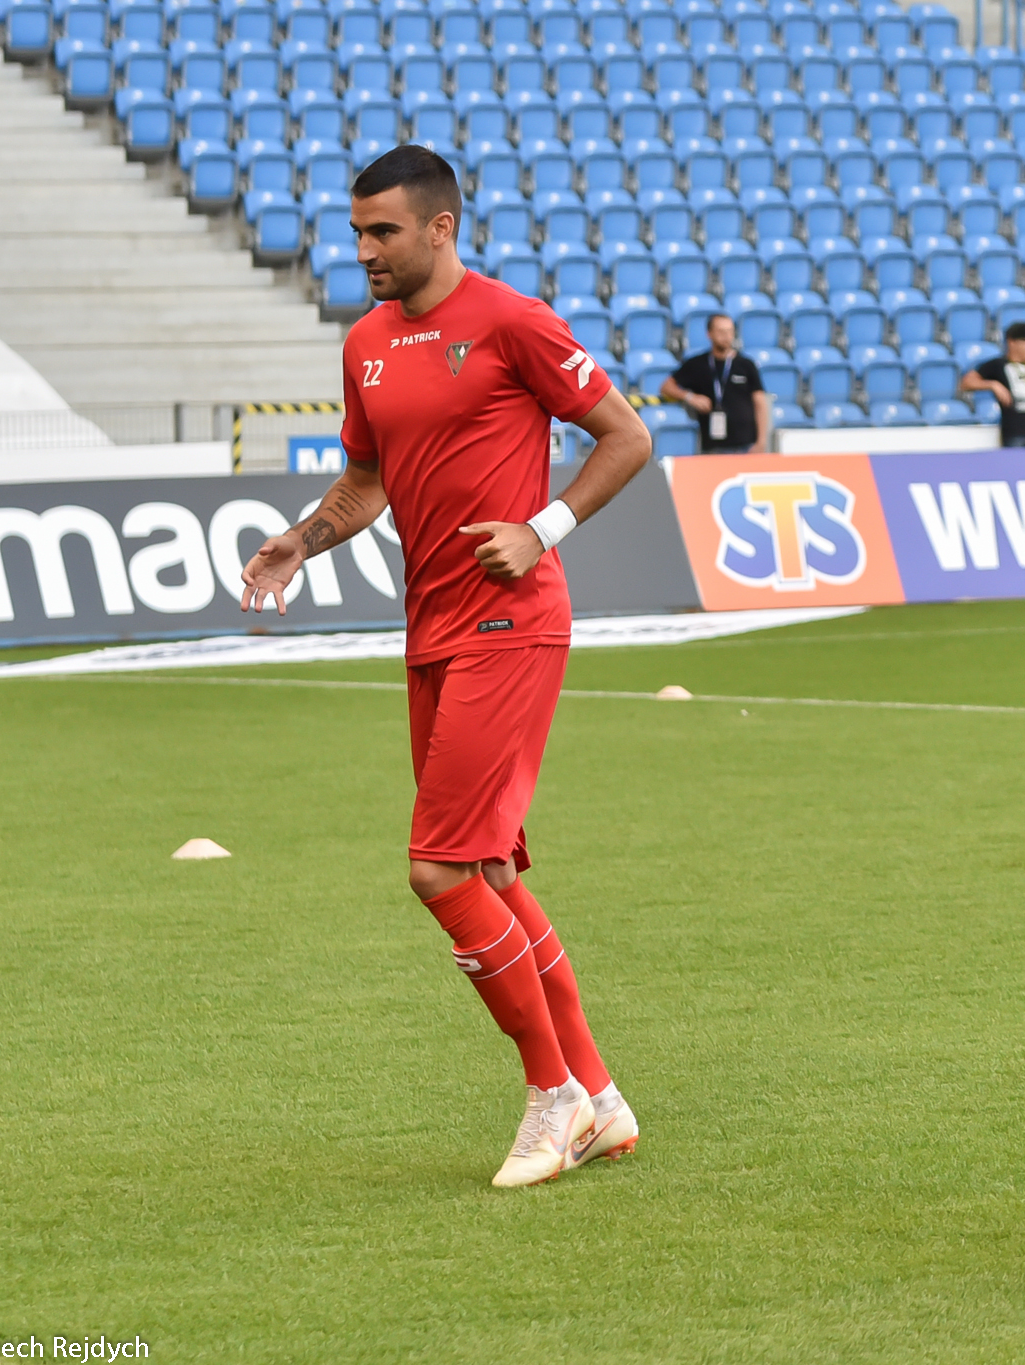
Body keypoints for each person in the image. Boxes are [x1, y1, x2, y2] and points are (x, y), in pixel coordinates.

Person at [237, 145, 654, 1188]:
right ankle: (599, 1096)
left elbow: (626, 436)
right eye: (356, 232)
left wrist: (542, 528)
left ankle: (551, 1095)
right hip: (430, 630)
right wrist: (303, 540)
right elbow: (366, 480)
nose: (363, 250)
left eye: (382, 231)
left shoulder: (513, 321)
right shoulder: (367, 343)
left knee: (437, 870)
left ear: (440, 227)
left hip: (512, 623)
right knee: (490, 871)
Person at [661, 313, 772, 453]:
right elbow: (666, 387)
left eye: (729, 331)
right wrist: (690, 397)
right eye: (721, 331)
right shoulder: (697, 364)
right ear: (709, 334)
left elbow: (760, 403)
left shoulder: (746, 365)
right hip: (713, 446)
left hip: (746, 445)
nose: (726, 336)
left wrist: (761, 441)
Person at [961, 320, 1025, 445]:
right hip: (1015, 432)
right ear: (1011, 342)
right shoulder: (998, 365)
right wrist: (993, 385)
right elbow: (966, 382)